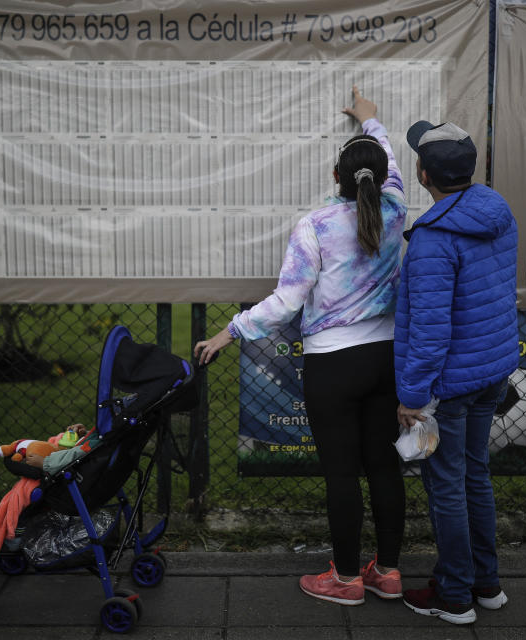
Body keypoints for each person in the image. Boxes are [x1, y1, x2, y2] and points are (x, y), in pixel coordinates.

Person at [194, 86, 408, 606]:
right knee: (384, 467)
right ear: (380, 180)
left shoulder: (314, 226)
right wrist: (372, 121)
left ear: (336, 178)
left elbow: (287, 301)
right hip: (387, 359)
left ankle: (346, 579)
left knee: (342, 472)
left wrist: (229, 332)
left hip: (332, 366)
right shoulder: (398, 207)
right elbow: (392, 164)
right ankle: (390, 573)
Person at [394, 120, 519, 624]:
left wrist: (411, 397)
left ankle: (454, 596)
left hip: (450, 383)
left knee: (446, 485)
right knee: (475, 478)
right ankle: (486, 585)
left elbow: (428, 332)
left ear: (423, 175)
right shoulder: (495, 210)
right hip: (491, 371)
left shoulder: (431, 241)